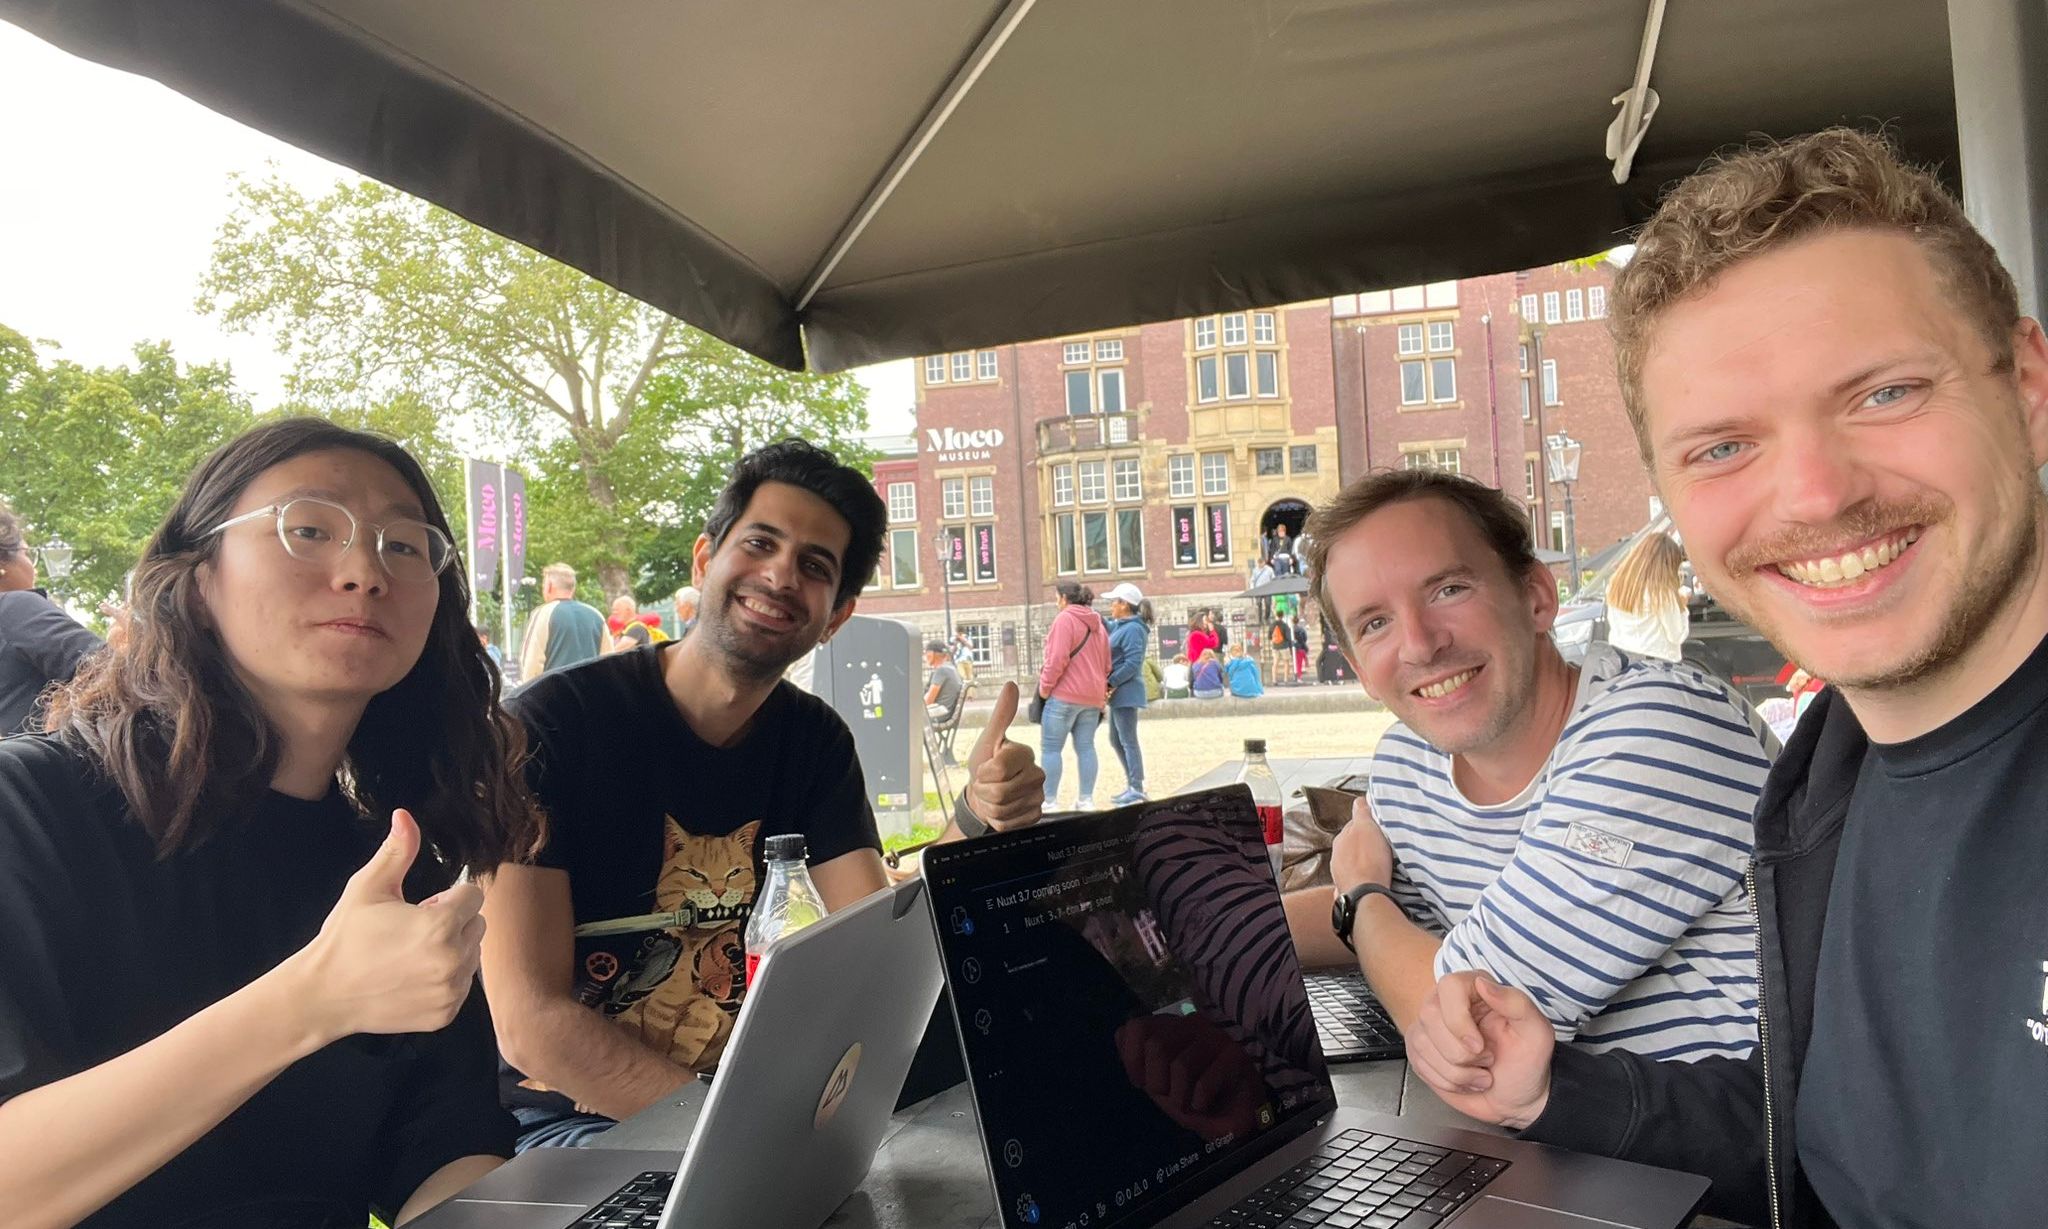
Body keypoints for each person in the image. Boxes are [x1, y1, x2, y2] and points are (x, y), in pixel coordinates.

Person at [1403, 129, 2048, 1229]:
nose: (1811, 493)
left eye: (1883, 392)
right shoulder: (1827, 779)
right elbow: (1841, 1137)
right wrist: (1557, 1088)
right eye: (1720, 447)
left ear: (2026, 385)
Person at [0, 418, 544, 1227]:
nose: (364, 569)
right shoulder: (30, 810)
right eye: (310, 528)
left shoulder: (393, 865)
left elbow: (447, 1146)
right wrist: (314, 998)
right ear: (198, 577)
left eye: (404, 545)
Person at [480, 440, 1045, 1151]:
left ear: (836, 615)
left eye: (814, 565)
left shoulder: (814, 742)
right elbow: (531, 1020)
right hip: (582, 1121)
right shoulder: (550, 728)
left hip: (767, 1103)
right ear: (703, 560)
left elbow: (872, 942)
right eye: (760, 542)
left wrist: (978, 815)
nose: (780, 573)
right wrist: (735, 1138)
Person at [1281, 467, 1770, 1071]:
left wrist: (1361, 899)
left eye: (1448, 590)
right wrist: (1196, 940)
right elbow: (1394, 928)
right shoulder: (1409, 766)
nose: (1419, 643)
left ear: (1537, 596)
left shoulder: (1660, 730)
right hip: (1551, 1140)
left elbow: (1477, 1038)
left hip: (1731, 1151)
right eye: (1374, 623)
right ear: (1359, 671)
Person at [0, 501, 103, 734]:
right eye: (27, 554)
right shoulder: (14, 608)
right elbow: (112, 670)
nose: (32, 567)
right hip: (40, 765)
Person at [1037, 581, 1110, 811]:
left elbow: (1056, 659)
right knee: (1086, 747)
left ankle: (1050, 801)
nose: (1056, 602)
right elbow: (1107, 664)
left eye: (1056, 597)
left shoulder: (1064, 619)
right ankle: (1086, 799)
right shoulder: (1098, 624)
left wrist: (1045, 688)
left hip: (1064, 695)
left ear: (1064, 599)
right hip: (1092, 698)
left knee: (1051, 748)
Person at [1603, 530, 1689, 662]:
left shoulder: (1616, 585)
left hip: (1621, 662)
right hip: (1655, 665)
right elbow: (1676, 635)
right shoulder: (1661, 593)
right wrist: (1682, 606)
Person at [1102, 583, 1151, 805]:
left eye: (1114, 601)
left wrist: (1110, 682)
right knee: (1116, 739)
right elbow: (1108, 626)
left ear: (1124, 605)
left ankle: (1136, 786)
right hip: (1119, 692)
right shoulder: (1123, 625)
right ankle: (1132, 784)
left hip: (1125, 691)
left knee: (1128, 740)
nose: (1111, 605)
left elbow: (1133, 663)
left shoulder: (1132, 629)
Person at [518, 563, 606, 678]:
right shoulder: (596, 615)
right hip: (589, 691)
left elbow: (532, 661)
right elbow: (607, 660)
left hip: (555, 691)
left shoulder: (543, 613)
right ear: (573, 588)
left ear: (549, 586)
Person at [923, 637, 964, 726]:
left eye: (926, 653)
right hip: (945, 713)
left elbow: (928, 701)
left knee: (907, 717)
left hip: (939, 715)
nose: (925, 657)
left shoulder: (941, 670)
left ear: (932, 654)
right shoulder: (951, 668)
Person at [1290, 613, 1309, 682]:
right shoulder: (1301, 629)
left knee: (1296, 663)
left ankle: (1296, 675)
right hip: (1301, 647)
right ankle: (1299, 677)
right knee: (1299, 663)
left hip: (1294, 648)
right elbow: (1305, 638)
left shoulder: (1291, 630)